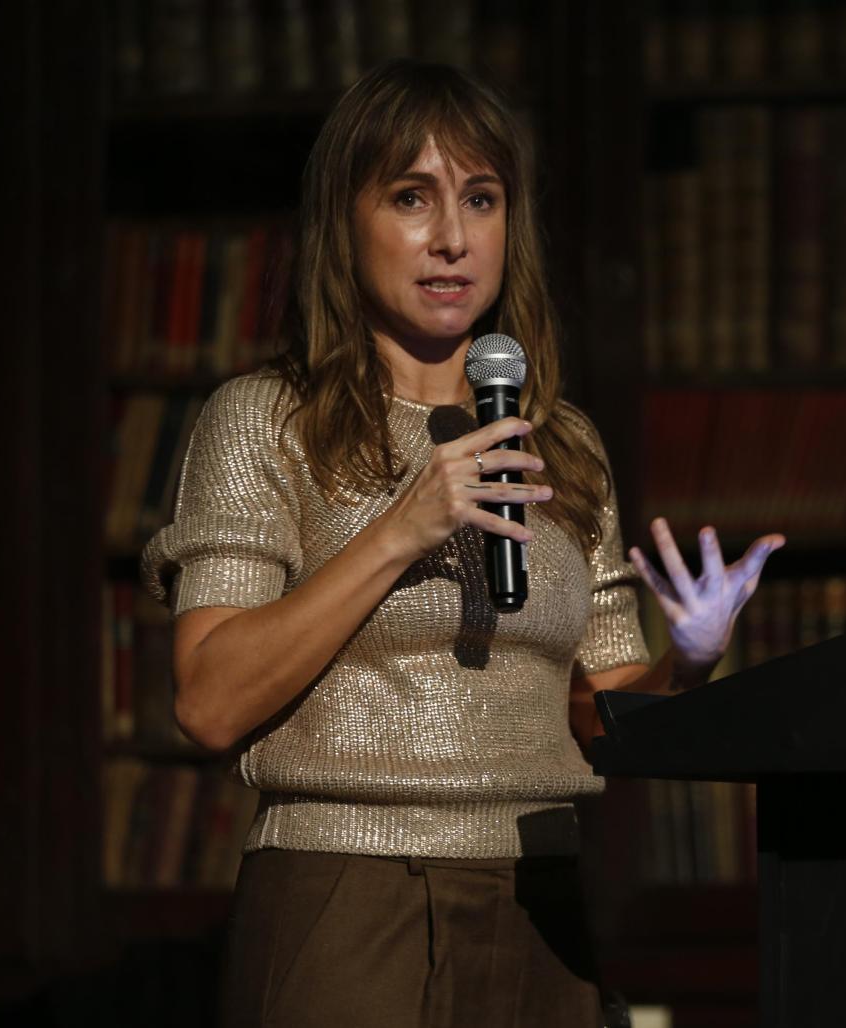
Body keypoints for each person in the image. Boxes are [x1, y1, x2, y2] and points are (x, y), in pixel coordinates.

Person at [140, 59, 783, 1027]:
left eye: (478, 199)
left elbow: (597, 717)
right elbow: (209, 699)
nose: (449, 238)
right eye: (410, 197)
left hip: (539, 894)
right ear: (343, 220)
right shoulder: (270, 420)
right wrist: (402, 527)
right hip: (346, 891)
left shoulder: (557, 441)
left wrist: (685, 663)